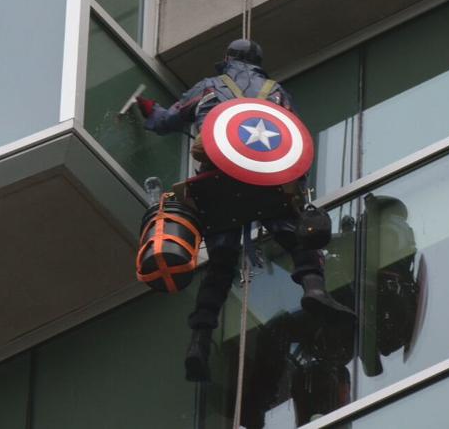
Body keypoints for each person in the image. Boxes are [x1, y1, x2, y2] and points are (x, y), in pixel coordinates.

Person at [137, 39, 355, 382]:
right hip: (266, 177)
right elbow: (293, 141)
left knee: (221, 265)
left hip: (217, 181)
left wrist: (147, 109)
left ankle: (200, 340)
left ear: (226, 59)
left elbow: (169, 120)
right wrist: (298, 192)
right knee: (297, 240)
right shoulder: (277, 91)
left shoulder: (209, 87)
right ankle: (315, 290)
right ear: (258, 62)